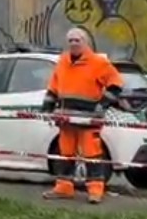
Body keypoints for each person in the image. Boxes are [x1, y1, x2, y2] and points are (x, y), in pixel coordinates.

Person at [42, 27, 125, 204]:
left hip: (88, 119)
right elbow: (53, 87)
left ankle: (95, 191)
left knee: (92, 154)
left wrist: (102, 104)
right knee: (65, 154)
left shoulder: (98, 62)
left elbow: (116, 84)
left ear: (85, 42)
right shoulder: (63, 62)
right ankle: (64, 188)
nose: (73, 43)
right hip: (66, 119)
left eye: (77, 40)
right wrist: (47, 106)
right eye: (70, 40)